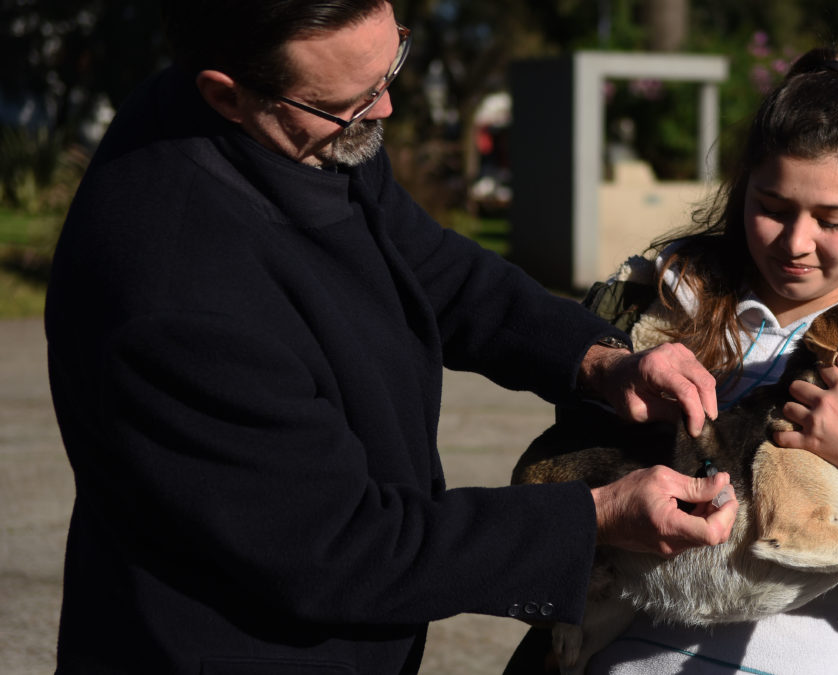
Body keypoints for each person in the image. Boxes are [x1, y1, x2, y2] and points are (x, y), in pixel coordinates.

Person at [43, 1, 741, 672]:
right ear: (226, 95)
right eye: (354, 100)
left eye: (392, 65)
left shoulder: (303, 124)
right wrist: (595, 516)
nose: (385, 109)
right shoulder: (175, 294)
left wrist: (598, 360)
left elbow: (425, 263)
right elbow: (344, 544)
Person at [504, 46, 838, 674]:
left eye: (832, 218)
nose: (797, 243)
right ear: (741, 187)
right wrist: (595, 528)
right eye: (773, 208)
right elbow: (537, 536)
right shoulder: (638, 317)